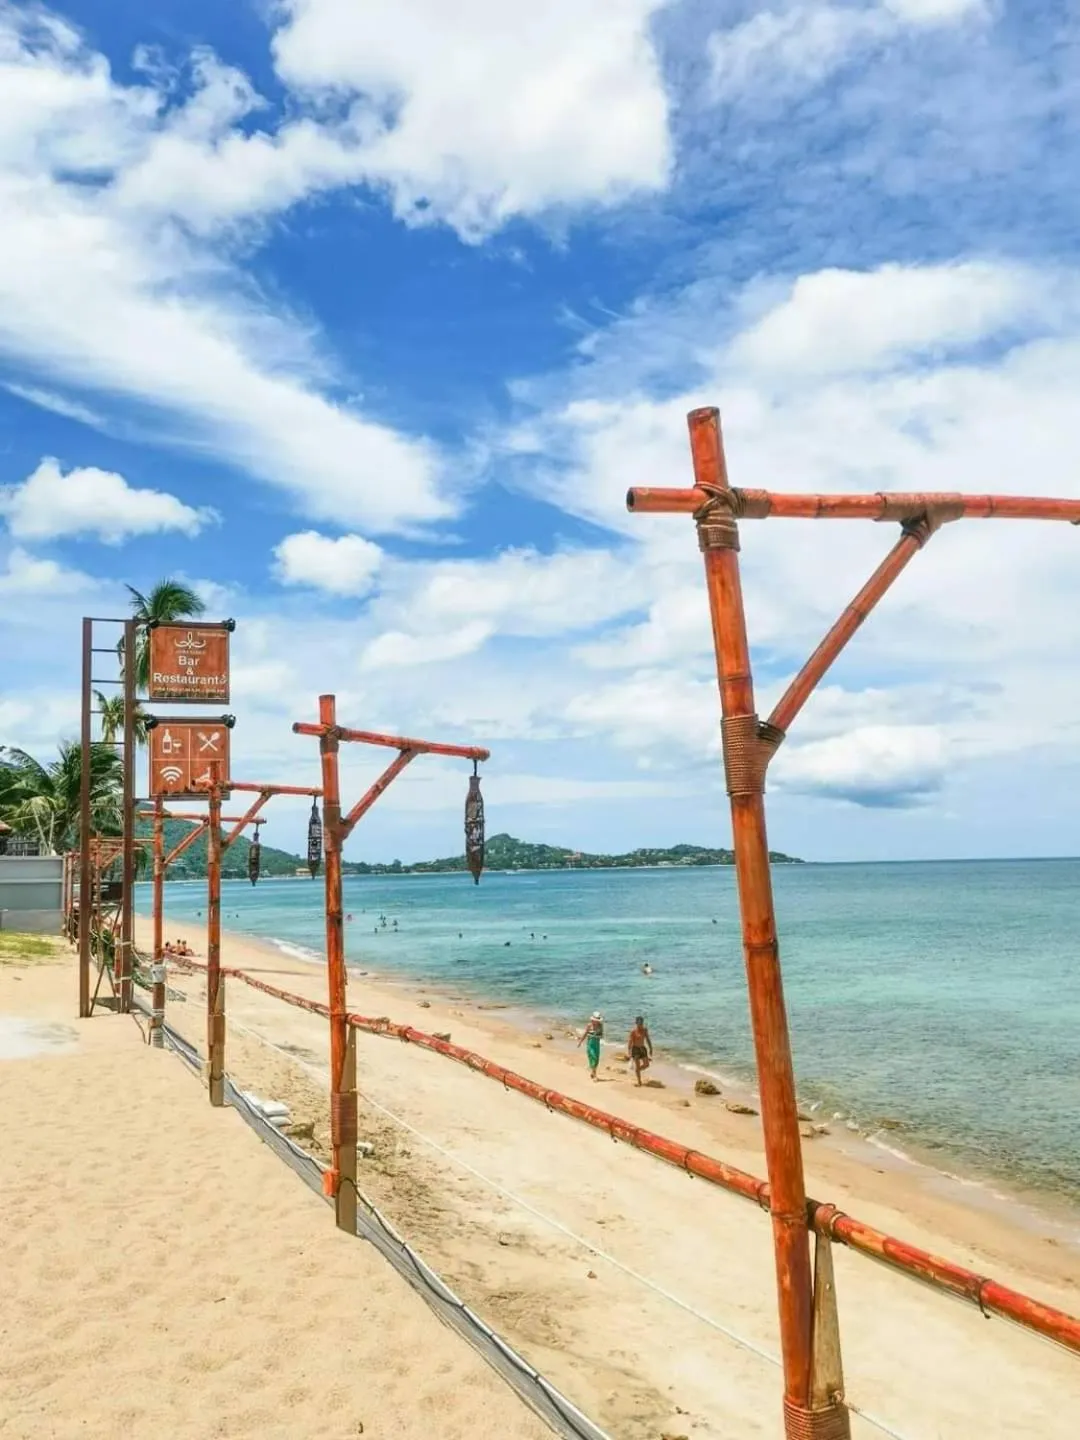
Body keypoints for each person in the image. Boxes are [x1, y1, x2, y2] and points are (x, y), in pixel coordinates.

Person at [627, 1016, 653, 1086]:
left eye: (641, 1023)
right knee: (637, 1065)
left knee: (646, 1064)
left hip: (642, 1049)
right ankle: (639, 1081)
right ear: (636, 1023)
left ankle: (637, 1071)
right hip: (635, 1050)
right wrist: (629, 1052)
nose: (640, 1025)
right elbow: (630, 1042)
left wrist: (651, 1048)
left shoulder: (645, 1030)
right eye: (638, 1023)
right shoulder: (633, 1031)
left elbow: (647, 1039)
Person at [578, 1011, 604, 1080]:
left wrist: (597, 1036)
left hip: (597, 1044)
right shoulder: (589, 1025)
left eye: (597, 1020)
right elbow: (585, 1033)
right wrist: (580, 1042)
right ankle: (595, 1074)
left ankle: (593, 1072)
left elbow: (601, 1035)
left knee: (596, 1059)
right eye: (595, 1020)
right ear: (592, 1020)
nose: (596, 1022)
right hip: (590, 1043)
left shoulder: (600, 1026)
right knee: (593, 1057)